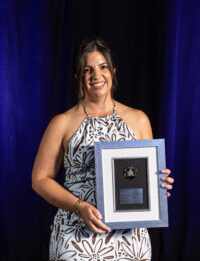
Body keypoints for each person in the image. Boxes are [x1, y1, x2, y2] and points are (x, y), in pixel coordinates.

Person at [32, 38, 174, 260]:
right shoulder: (62, 122)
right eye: (87, 70)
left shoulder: (139, 120)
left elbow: (143, 176)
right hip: (75, 235)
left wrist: (158, 185)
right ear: (78, 77)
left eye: (103, 67)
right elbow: (40, 179)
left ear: (113, 71)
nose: (96, 75)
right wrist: (79, 206)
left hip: (130, 238)